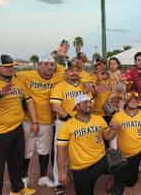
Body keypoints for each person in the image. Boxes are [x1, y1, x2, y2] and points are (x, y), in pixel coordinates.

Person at [0, 54, 37, 195]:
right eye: (6, 67)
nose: (10, 69)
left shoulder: (17, 80)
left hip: (16, 129)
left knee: (17, 163)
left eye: (11, 66)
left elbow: (28, 100)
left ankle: (17, 189)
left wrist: (34, 121)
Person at [16, 55, 64, 188]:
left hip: (48, 121)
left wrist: (58, 58)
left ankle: (43, 177)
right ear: (39, 65)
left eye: (52, 64)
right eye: (46, 64)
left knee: (45, 151)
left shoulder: (58, 76)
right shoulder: (26, 75)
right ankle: (23, 178)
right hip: (29, 120)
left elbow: (63, 69)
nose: (50, 67)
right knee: (27, 150)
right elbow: (10, 74)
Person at [57, 94, 118, 195]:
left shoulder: (98, 119)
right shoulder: (67, 126)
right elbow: (61, 151)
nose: (89, 104)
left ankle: (115, 190)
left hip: (101, 160)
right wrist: (62, 172)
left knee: (122, 165)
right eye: (85, 102)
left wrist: (114, 129)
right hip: (81, 167)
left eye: (90, 102)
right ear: (77, 106)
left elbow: (107, 137)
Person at [50, 60, 91, 194]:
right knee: (61, 153)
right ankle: (58, 183)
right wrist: (70, 119)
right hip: (64, 123)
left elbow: (89, 104)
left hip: (81, 123)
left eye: (76, 70)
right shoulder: (59, 86)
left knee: (78, 151)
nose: (74, 73)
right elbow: (55, 106)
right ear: (66, 72)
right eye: (71, 70)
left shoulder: (84, 87)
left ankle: (75, 175)